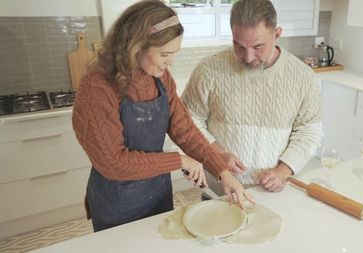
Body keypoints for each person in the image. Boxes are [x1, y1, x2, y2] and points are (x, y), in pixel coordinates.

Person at [72, 0, 253, 232]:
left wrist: (223, 172)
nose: (170, 62)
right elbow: (113, 163)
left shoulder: (160, 78)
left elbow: (185, 131)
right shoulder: (98, 86)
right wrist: (179, 161)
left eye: (174, 53)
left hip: (157, 193)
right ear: (136, 46)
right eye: (165, 54)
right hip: (117, 202)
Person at [181, 0, 323, 197]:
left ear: (277, 34)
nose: (247, 57)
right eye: (238, 45)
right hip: (219, 191)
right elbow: (187, 120)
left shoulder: (302, 76)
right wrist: (219, 153)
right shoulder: (209, 70)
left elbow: (309, 131)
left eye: (258, 46)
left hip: (272, 193)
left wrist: (283, 171)